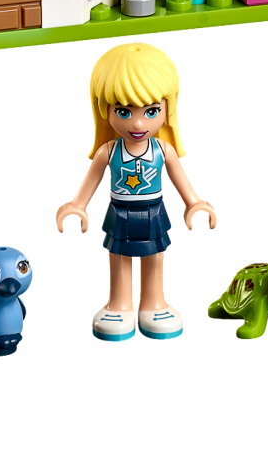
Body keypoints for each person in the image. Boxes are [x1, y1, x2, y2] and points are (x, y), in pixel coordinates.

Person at [56, 43, 215, 341]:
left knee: (155, 256)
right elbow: (91, 181)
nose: (138, 123)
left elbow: (180, 179)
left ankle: (154, 303)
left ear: (168, 108)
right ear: (104, 109)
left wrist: (194, 203)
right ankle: (119, 303)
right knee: (119, 255)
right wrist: (77, 205)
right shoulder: (108, 151)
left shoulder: (163, 150)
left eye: (151, 111)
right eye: (124, 111)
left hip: (154, 210)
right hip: (120, 212)